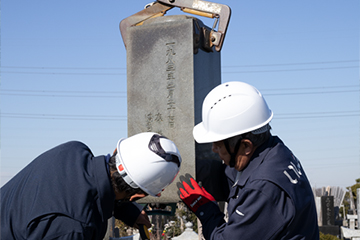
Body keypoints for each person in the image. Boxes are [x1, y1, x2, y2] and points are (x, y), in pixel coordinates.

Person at [177, 81, 319, 239]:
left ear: (245, 146)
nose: (214, 149)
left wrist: (206, 210)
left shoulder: (263, 189)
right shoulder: (275, 151)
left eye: (218, 143)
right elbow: (233, 177)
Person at [1, 132, 182, 240]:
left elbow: (99, 184)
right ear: (136, 196)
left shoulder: (74, 150)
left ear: (116, 151)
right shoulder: (73, 228)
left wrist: (129, 211)